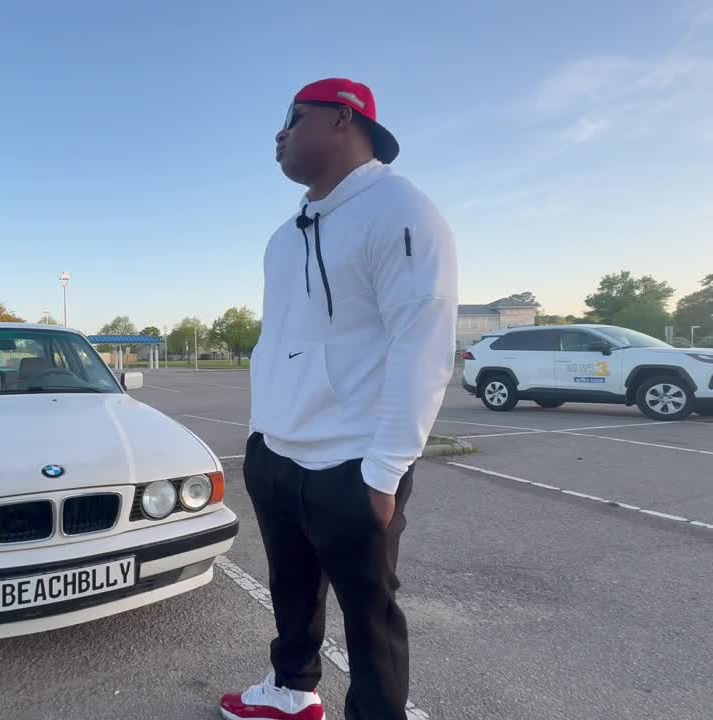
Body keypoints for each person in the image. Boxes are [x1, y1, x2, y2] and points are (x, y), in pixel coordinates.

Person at [220, 79, 459, 720]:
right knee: (291, 591)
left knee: (370, 613)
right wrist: (260, 434)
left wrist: (385, 470)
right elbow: (280, 339)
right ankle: (291, 691)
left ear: (343, 119)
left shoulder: (401, 210)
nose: (279, 134)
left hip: (353, 461)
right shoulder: (285, 235)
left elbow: (423, 344)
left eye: (294, 117)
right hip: (277, 452)